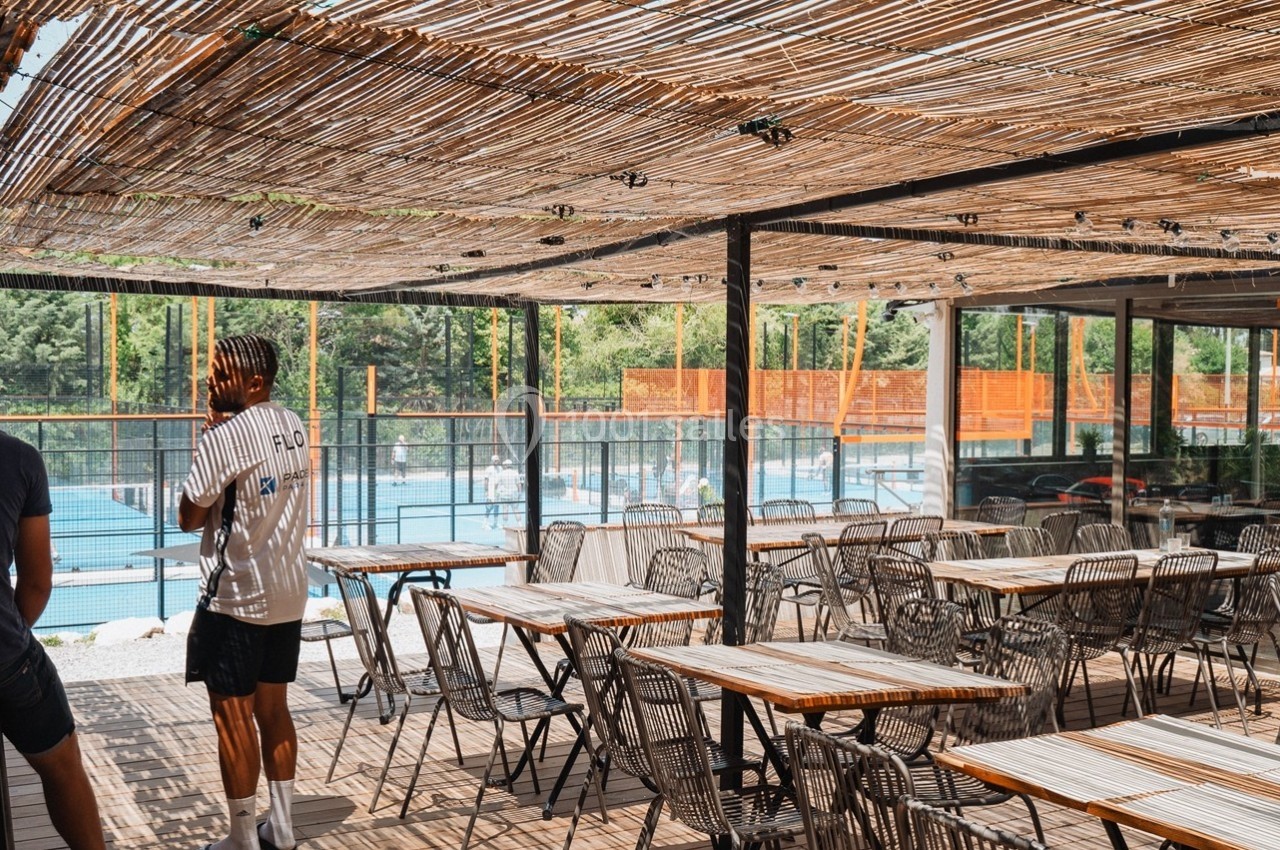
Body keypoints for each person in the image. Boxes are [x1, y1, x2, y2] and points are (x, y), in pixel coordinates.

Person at [178, 335, 309, 850]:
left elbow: (189, 517)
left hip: (234, 596)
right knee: (273, 711)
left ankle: (241, 839)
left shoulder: (226, 437)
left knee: (233, 718)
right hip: (288, 593)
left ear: (254, 382)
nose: (211, 379)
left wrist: (210, 437)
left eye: (222, 372)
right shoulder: (292, 424)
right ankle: (281, 829)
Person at [0, 430, 106, 850]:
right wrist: (13, 635)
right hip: (6, 658)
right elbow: (38, 583)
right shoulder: (19, 459)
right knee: (63, 767)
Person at [496, 458, 523, 525]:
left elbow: (497, 484)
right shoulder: (515, 473)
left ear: (505, 465)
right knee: (516, 509)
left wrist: (496, 492)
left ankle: (505, 524)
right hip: (514, 494)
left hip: (504, 494)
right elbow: (519, 484)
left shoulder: (501, 473)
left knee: (505, 509)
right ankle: (520, 524)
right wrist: (520, 493)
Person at [482, 454, 502, 528]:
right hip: (491, 491)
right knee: (489, 507)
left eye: (497, 460)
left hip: (498, 491)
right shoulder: (489, 469)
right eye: (495, 460)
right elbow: (486, 480)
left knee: (497, 507)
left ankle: (495, 523)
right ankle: (485, 523)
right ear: (492, 461)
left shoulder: (500, 468)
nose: (496, 461)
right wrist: (486, 491)